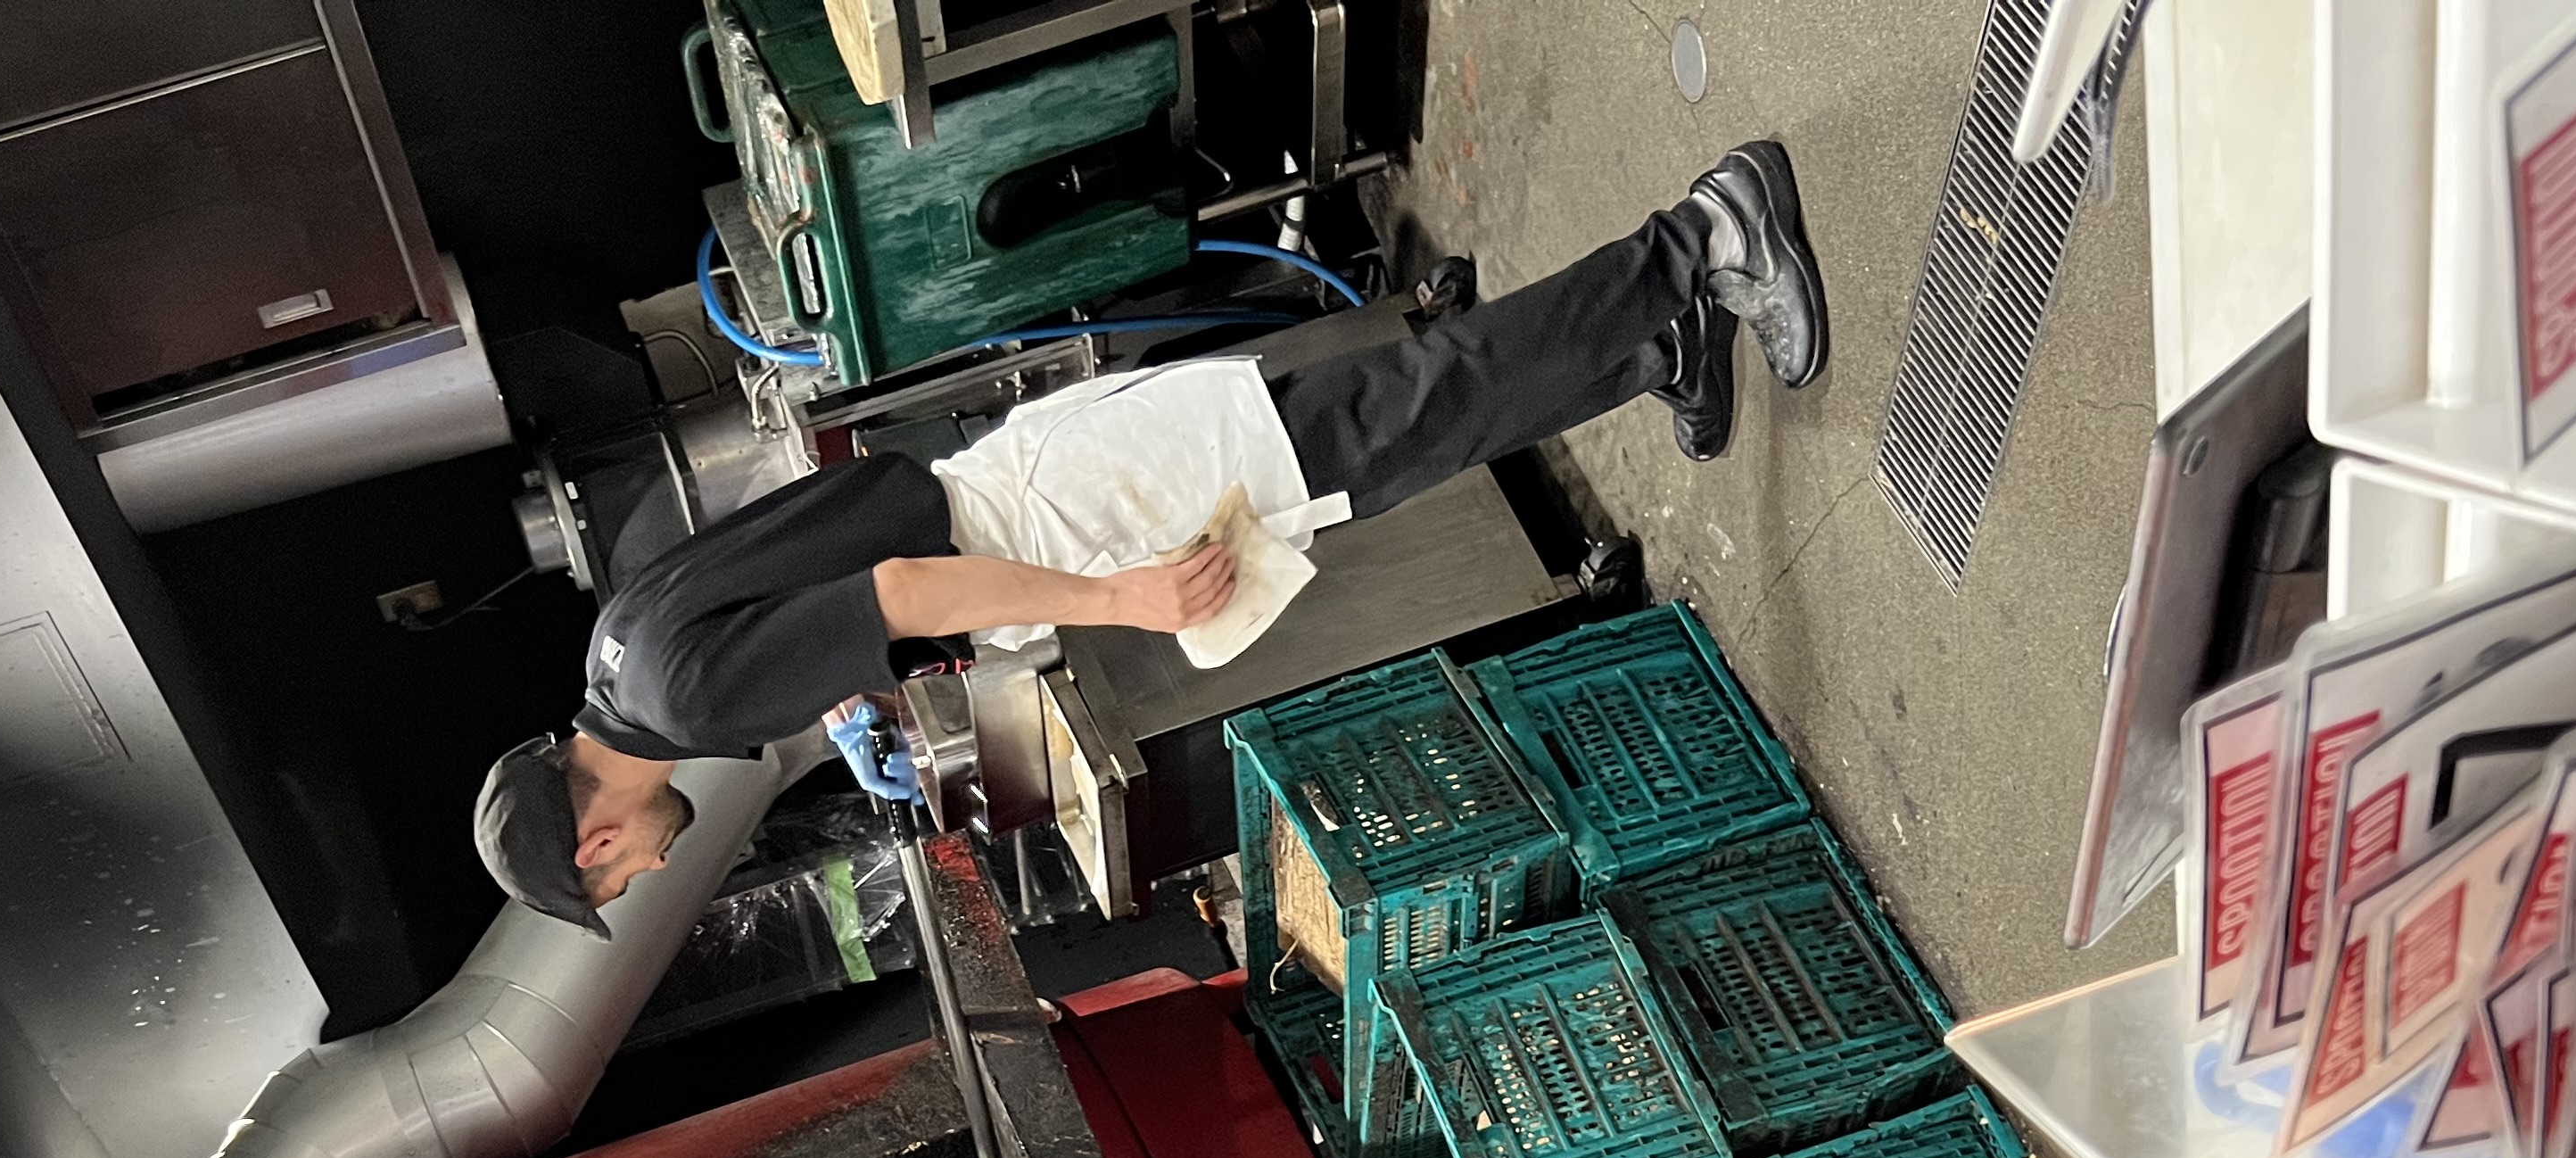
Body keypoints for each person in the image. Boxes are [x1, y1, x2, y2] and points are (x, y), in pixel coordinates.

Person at [473, 144, 1828, 933]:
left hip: (1073, 515)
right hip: (1036, 483)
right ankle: (1661, 343)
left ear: (592, 846)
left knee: (1422, 409)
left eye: (625, 877)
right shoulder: (621, 653)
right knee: (1411, 440)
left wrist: (1118, 599)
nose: (652, 870)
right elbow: (859, 570)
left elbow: (897, 583)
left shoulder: (685, 699)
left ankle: (1707, 233)